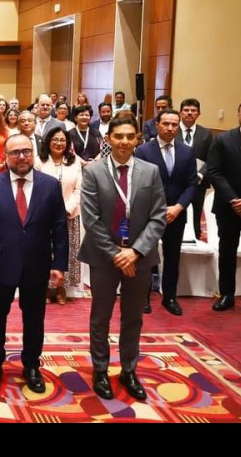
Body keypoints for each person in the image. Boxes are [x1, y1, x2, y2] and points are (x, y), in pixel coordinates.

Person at [79, 116, 166, 401]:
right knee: (100, 316)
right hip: (104, 256)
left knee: (133, 317)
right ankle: (100, 369)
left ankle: (129, 369)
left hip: (139, 256)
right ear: (108, 139)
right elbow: (91, 219)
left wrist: (135, 252)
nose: (124, 142)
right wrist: (117, 254)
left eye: (130, 136)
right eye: (119, 136)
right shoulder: (93, 171)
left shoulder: (150, 171)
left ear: (138, 138)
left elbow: (158, 217)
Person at [0, 134, 68, 392]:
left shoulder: (50, 185)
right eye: (15, 153)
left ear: (33, 153)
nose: (22, 157)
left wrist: (59, 264)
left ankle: (32, 365)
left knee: (35, 317)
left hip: (37, 264)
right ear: (6, 157)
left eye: (26, 151)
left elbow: (59, 227)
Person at [134, 109, 196, 315]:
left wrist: (179, 207)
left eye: (174, 124)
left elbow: (191, 184)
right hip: (150, 214)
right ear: (157, 125)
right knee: (145, 256)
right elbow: (139, 184)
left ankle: (169, 297)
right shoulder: (143, 151)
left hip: (176, 213)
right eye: (166, 124)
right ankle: (143, 297)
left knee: (172, 257)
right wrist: (158, 210)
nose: (170, 128)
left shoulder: (187, 152)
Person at [205, 99, 241, 311]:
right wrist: (234, 200)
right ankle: (227, 295)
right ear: (238, 114)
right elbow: (213, 171)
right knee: (227, 251)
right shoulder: (223, 139)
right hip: (228, 206)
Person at [39, 127, 83, 304]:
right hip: (44, 216)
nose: (59, 143)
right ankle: (45, 286)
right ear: (48, 142)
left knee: (67, 252)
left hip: (69, 214)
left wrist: (66, 209)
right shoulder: (39, 161)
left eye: (62, 140)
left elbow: (79, 189)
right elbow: (35, 189)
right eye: (55, 140)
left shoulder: (74, 161)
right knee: (45, 251)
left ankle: (61, 287)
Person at [176, 98, 213, 240]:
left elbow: (211, 158)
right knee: (177, 214)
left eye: (193, 110)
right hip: (176, 182)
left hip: (199, 183)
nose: (189, 113)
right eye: (186, 110)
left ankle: (196, 239)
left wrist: (201, 174)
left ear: (199, 113)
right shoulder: (172, 130)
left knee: (196, 214)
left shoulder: (206, 133)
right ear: (180, 112)